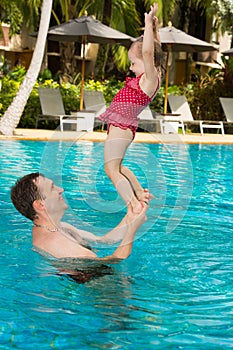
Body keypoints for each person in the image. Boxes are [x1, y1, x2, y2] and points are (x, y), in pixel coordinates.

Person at [99, 3, 162, 214]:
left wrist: (146, 22)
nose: (131, 68)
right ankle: (140, 194)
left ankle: (133, 205)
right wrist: (153, 27)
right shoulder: (150, 75)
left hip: (122, 124)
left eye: (134, 63)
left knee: (111, 170)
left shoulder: (150, 78)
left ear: (148, 61)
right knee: (119, 167)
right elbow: (154, 48)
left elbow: (149, 51)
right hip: (121, 124)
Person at [10, 172, 148, 262]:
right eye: (52, 188)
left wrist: (131, 216)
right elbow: (113, 262)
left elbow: (104, 241)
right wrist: (132, 231)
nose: (61, 189)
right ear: (40, 205)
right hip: (99, 292)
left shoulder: (59, 227)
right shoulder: (54, 242)